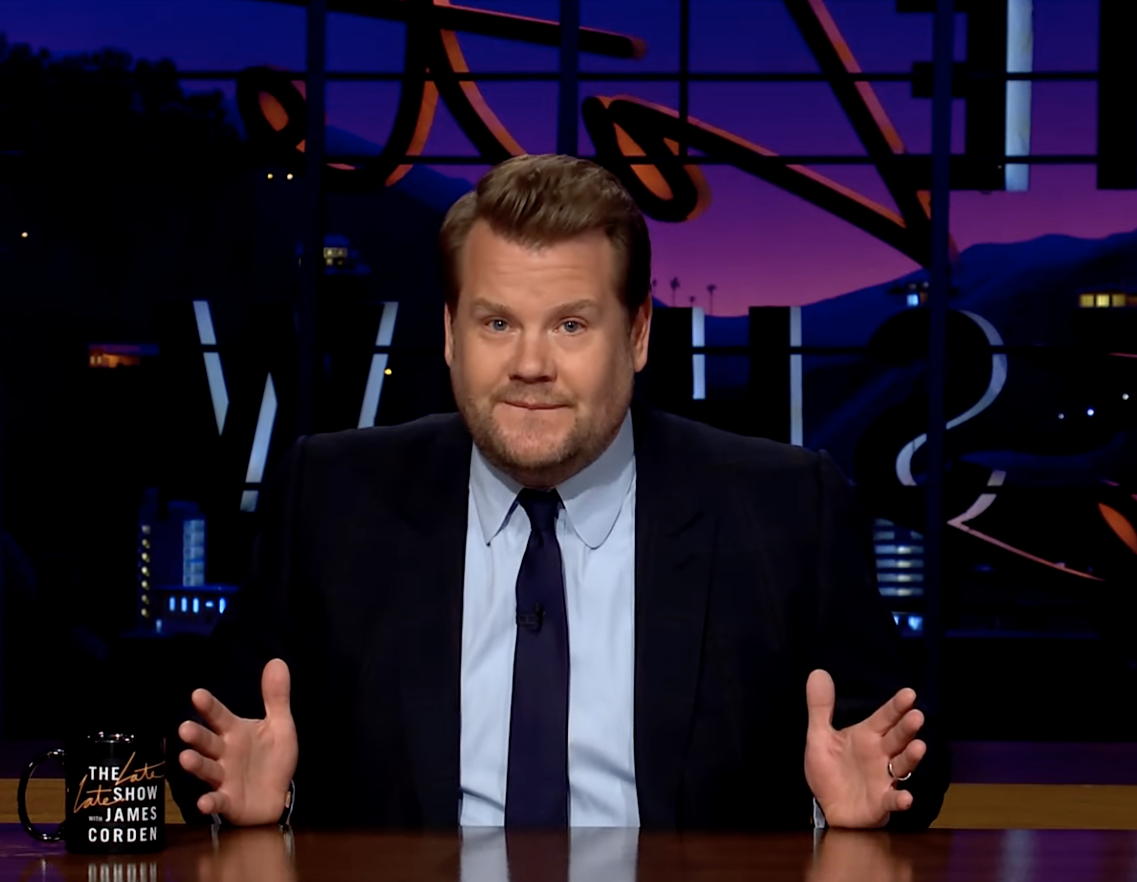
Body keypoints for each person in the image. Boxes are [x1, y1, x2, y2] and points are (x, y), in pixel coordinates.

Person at [177, 154, 946, 831]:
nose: (531, 364)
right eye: (497, 323)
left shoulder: (785, 509)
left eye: (572, 325)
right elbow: (220, 749)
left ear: (639, 333)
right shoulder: (332, 498)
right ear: (450, 333)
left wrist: (842, 811)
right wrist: (264, 807)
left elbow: (894, 758)